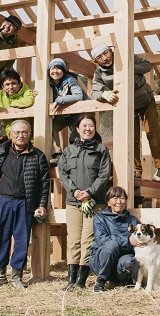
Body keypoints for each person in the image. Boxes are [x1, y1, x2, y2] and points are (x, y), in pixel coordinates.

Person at [0, 120, 50, 289]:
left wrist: (42, 204)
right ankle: (0, 276)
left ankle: (16, 277)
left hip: (25, 202)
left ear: (29, 134)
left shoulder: (38, 155)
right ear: (11, 135)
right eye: (17, 133)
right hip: (4, 200)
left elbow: (44, 183)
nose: (20, 135)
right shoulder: (3, 151)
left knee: (22, 239)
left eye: (24, 132)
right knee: (1, 237)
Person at [90, 42, 160, 181]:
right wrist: (104, 95)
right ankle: (136, 169)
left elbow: (147, 65)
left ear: (110, 51)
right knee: (131, 137)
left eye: (106, 53)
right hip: (126, 106)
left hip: (145, 99)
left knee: (152, 132)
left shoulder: (126, 58)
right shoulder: (99, 74)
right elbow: (94, 92)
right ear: (96, 61)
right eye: (100, 57)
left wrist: (131, 67)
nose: (105, 58)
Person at [57, 114, 112, 290]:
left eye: (91, 126)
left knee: (87, 240)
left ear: (95, 129)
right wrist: (74, 191)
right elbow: (62, 173)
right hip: (73, 202)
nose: (88, 129)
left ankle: (81, 281)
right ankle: (71, 280)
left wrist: (89, 192)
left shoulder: (101, 149)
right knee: (73, 240)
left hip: (95, 202)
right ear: (78, 129)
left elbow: (104, 175)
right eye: (84, 126)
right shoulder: (68, 150)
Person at [89, 186, 141, 293]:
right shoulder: (99, 219)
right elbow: (102, 240)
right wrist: (128, 240)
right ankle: (101, 281)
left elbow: (140, 240)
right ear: (108, 202)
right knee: (111, 245)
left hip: (121, 262)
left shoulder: (133, 220)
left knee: (130, 260)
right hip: (101, 261)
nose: (119, 202)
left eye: (122, 198)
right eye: (115, 198)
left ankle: (128, 279)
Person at [48, 58, 88, 161]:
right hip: (65, 116)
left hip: (79, 116)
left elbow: (79, 96)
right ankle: (57, 154)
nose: (55, 71)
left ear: (63, 70)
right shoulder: (49, 84)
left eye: (58, 68)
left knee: (75, 139)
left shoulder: (70, 80)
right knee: (50, 126)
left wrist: (58, 100)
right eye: (52, 69)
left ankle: (82, 159)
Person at [0, 68, 35, 143]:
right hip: (11, 137)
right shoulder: (0, 96)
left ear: (19, 83)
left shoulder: (26, 91)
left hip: (30, 138)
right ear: (2, 87)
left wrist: (10, 105)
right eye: (7, 84)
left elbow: (29, 100)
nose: (11, 87)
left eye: (13, 83)